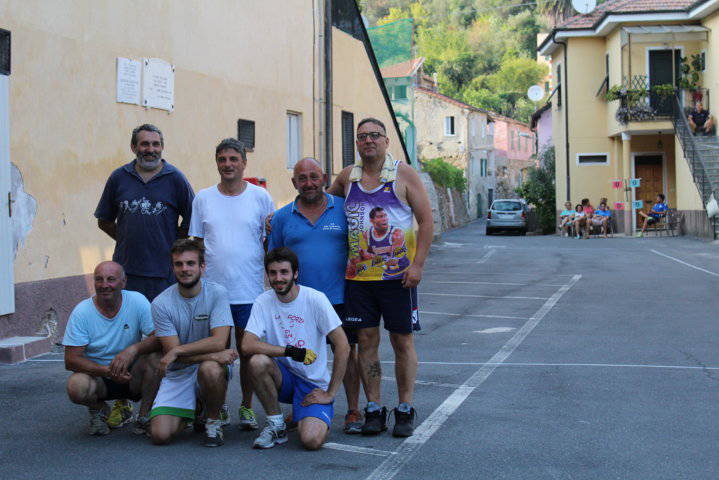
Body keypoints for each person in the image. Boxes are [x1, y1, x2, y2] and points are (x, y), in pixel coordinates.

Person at [327, 117, 433, 437]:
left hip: (398, 278)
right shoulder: (347, 177)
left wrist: (417, 266)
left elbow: (426, 222)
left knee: (401, 341)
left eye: (375, 135)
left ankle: (404, 407)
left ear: (387, 141)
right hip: (358, 279)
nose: (368, 141)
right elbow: (322, 206)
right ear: (357, 143)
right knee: (366, 343)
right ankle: (373, 407)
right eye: (362, 137)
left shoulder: (403, 173)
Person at [267, 157, 363, 434]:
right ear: (294, 182)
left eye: (314, 176)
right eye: (302, 178)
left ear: (324, 178)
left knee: (349, 352)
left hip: (340, 297)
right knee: (298, 355)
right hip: (300, 303)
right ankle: (301, 406)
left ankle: (354, 409)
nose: (308, 183)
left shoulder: (344, 210)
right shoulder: (283, 217)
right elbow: (274, 258)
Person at [189, 138, 275, 431]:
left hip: (249, 292)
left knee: (249, 354)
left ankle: (247, 407)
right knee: (216, 356)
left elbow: (269, 240)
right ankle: (219, 406)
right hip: (214, 294)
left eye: (233, 159)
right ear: (216, 163)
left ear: (243, 163)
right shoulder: (202, 198)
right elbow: (197, 244)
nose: (227, 164)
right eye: (222, 159)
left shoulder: (260, 197)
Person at [242, 247, 350, 450]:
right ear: (267, 275)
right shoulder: (263, 301)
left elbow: (343, 345)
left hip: (313, 385)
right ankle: (276, 425)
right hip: (284, 379)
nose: (278, 278)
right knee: (257, 361)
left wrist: (331, 392)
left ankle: (305, 413)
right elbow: (247, 345)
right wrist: (290, 351)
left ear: (296, 273)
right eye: (273, 273)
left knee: (311, 441)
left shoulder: (315, 299)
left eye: (284, 272)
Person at [149, 239, 237, 447]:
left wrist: (180, 349)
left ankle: (213, 421)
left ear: (202, 267)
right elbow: (172, 355)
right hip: (178, 371)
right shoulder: (161, 303)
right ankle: (196, 409)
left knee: (210, 369)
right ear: (172, 268)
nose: (185, 269)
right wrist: (210, 354)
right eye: (179, 264)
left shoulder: (218, 293)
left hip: (209, 367)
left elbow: (218, 342)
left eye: (190, 263)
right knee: (160, 436)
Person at [95, 124, 194, 301]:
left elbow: (192, 219)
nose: (151, 149)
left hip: (164, 275)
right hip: (125, 273)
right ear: (133, 147)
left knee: (161, 327)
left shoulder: (176, 179)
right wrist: (127, 238)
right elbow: (104, 220)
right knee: (129, 326)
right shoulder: (118, 178)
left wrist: (171, 243)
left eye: (156, 144)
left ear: (162, 147)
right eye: (144, 144)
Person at [63, 261, 161, 436]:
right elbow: (71, 360)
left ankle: (144, 416)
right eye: (99, 280)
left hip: (132, 374)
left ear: (123, 282)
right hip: (99, 376)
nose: (104, 285)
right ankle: (99, 410)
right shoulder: (82, 312)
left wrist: (132, 350)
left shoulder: (137, 300)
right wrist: (106, 371)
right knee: (75, 386)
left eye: (111, 279)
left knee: (157, 358)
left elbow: (160, 337)